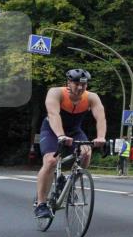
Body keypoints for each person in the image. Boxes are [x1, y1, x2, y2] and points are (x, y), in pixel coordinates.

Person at [35, 69, 107, 218]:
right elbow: (53, 114)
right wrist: (61, 135)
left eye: (84, 84)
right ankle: (41, 204)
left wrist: (101, 137)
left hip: (74, 131)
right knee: (51, 161)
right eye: (76, 84)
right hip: (51, 129)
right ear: (68, 82)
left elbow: (101, 118)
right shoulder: (56, 93)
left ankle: (68, 183)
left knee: (86, 153)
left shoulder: (92, 97)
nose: (80, 88)